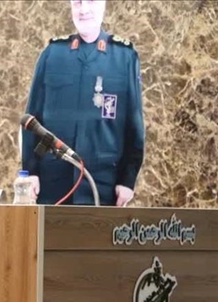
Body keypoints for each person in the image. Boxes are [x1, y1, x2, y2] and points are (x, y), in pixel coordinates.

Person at [21, 0, 145, 206]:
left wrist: (127, 180)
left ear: (103, 4)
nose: (84, 9)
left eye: (91, 1)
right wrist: (30, 171)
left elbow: (134, 126)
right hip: (52, 185)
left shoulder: (124, 57)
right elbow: (31, 120)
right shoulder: (52, 54)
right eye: (77, 2)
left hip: (103, 184)